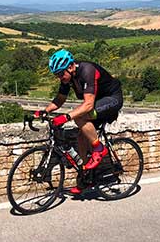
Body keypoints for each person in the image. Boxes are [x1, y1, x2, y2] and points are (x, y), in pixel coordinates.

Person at [36, 49, 123, 194]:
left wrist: (66, 117)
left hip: (112, 99)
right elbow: (60, 99)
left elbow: (88, 105)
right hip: (97, 103)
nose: (60, 78)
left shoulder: (87, 71)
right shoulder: (67, 78)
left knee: (79, 116)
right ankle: (86, 177)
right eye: (56, 75)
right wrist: (45, 111)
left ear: (70, 67)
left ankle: (99, 148)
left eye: (60, 74)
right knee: (81, 136)